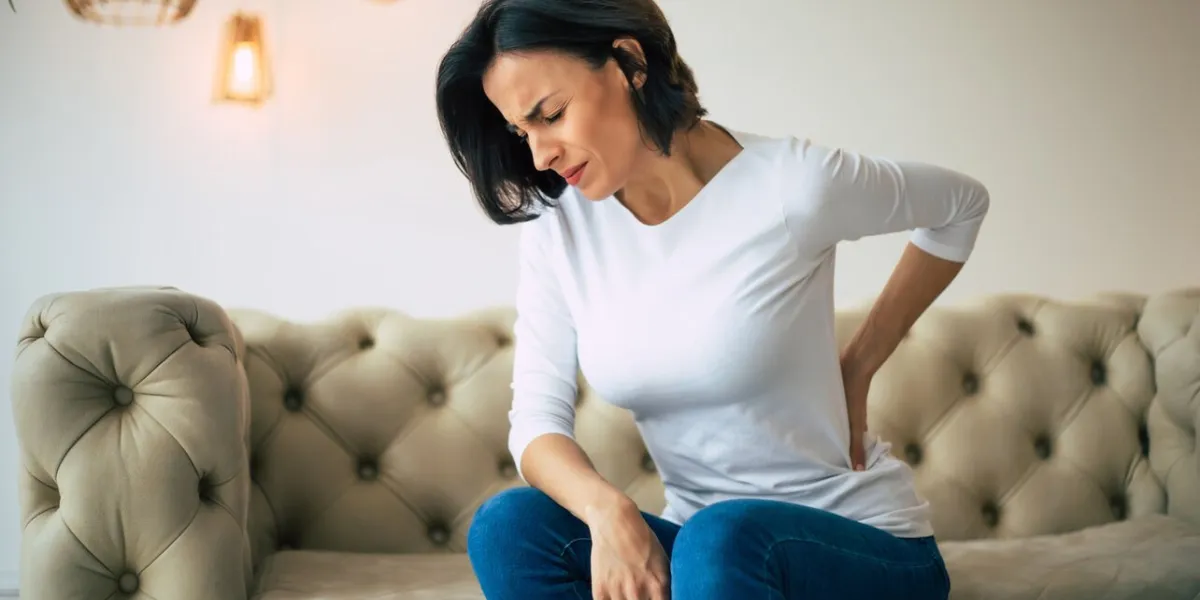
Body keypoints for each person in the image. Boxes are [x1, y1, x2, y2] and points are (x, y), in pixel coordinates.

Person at [435, 1, 988, 598]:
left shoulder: (792, 186)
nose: (540, 154)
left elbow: (961, 207)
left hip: (859, 546)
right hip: (709, 564)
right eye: (524, 131)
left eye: (553, 114)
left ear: (629, 63)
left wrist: (858, 366)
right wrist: (606, 510)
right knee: (507, 528)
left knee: (720, 536)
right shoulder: (562, 227)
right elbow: (536, 425)